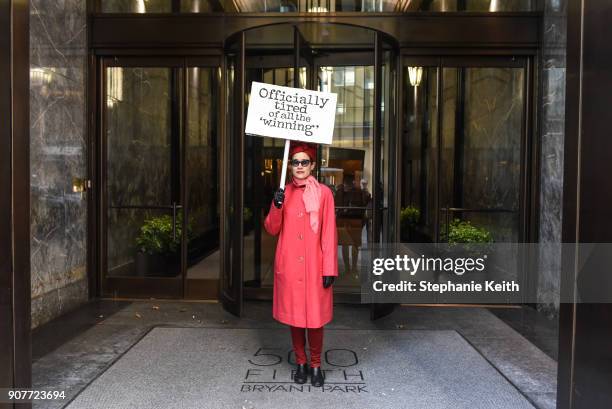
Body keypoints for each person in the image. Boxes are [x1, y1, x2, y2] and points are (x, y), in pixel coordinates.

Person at [263, 140, 338, 388]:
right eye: (295, 162)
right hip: (290, 266)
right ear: (290, 165)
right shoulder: (283, 192)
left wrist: (329, 268)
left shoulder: (325, 194)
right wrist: (276, 205)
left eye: (304, 162)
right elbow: (272, 229)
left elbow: (329, 233)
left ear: (313, 165)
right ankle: (301, 362)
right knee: (296, 319)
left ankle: (316, 364)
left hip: (316, 267)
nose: (299, 166)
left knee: (315, 320)